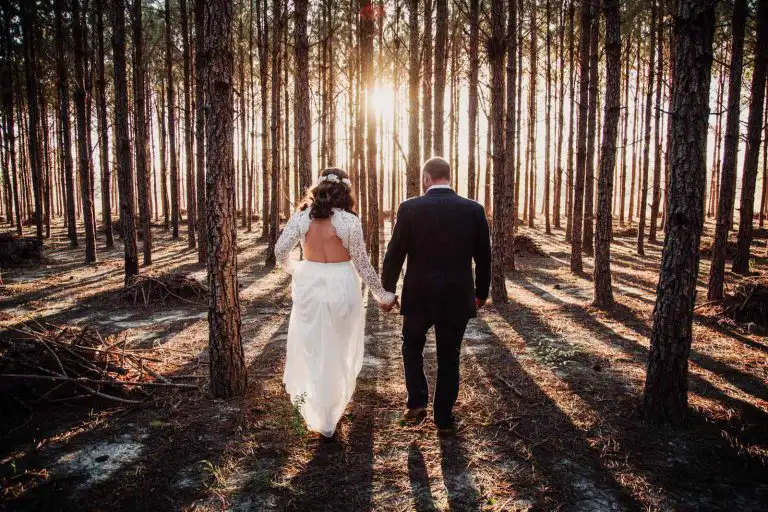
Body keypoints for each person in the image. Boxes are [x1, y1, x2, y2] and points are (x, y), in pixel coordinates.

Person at [275, 168, 397, 438]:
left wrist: (296, 269)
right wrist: (382, 295)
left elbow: (280, 250)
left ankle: (321, 408)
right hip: (342, 284)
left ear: (318, 189)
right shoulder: (349, 222)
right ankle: (329, 411)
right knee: (338, 347)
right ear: (345, 192)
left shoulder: (301, 218)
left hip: (310, 285)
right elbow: (362, 264)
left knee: (314, 346)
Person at [382, 156, 491, 435]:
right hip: (457, 295)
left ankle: (417, 401)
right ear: (449, 176)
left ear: (426, 178)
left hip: (419, 294)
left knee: (412, 345)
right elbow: (484, 257)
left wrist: (388, 291)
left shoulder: (409, 208)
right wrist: (481, 292)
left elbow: (394, 254)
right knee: (449, 355)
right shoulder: (474, 209)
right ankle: (443, 419)